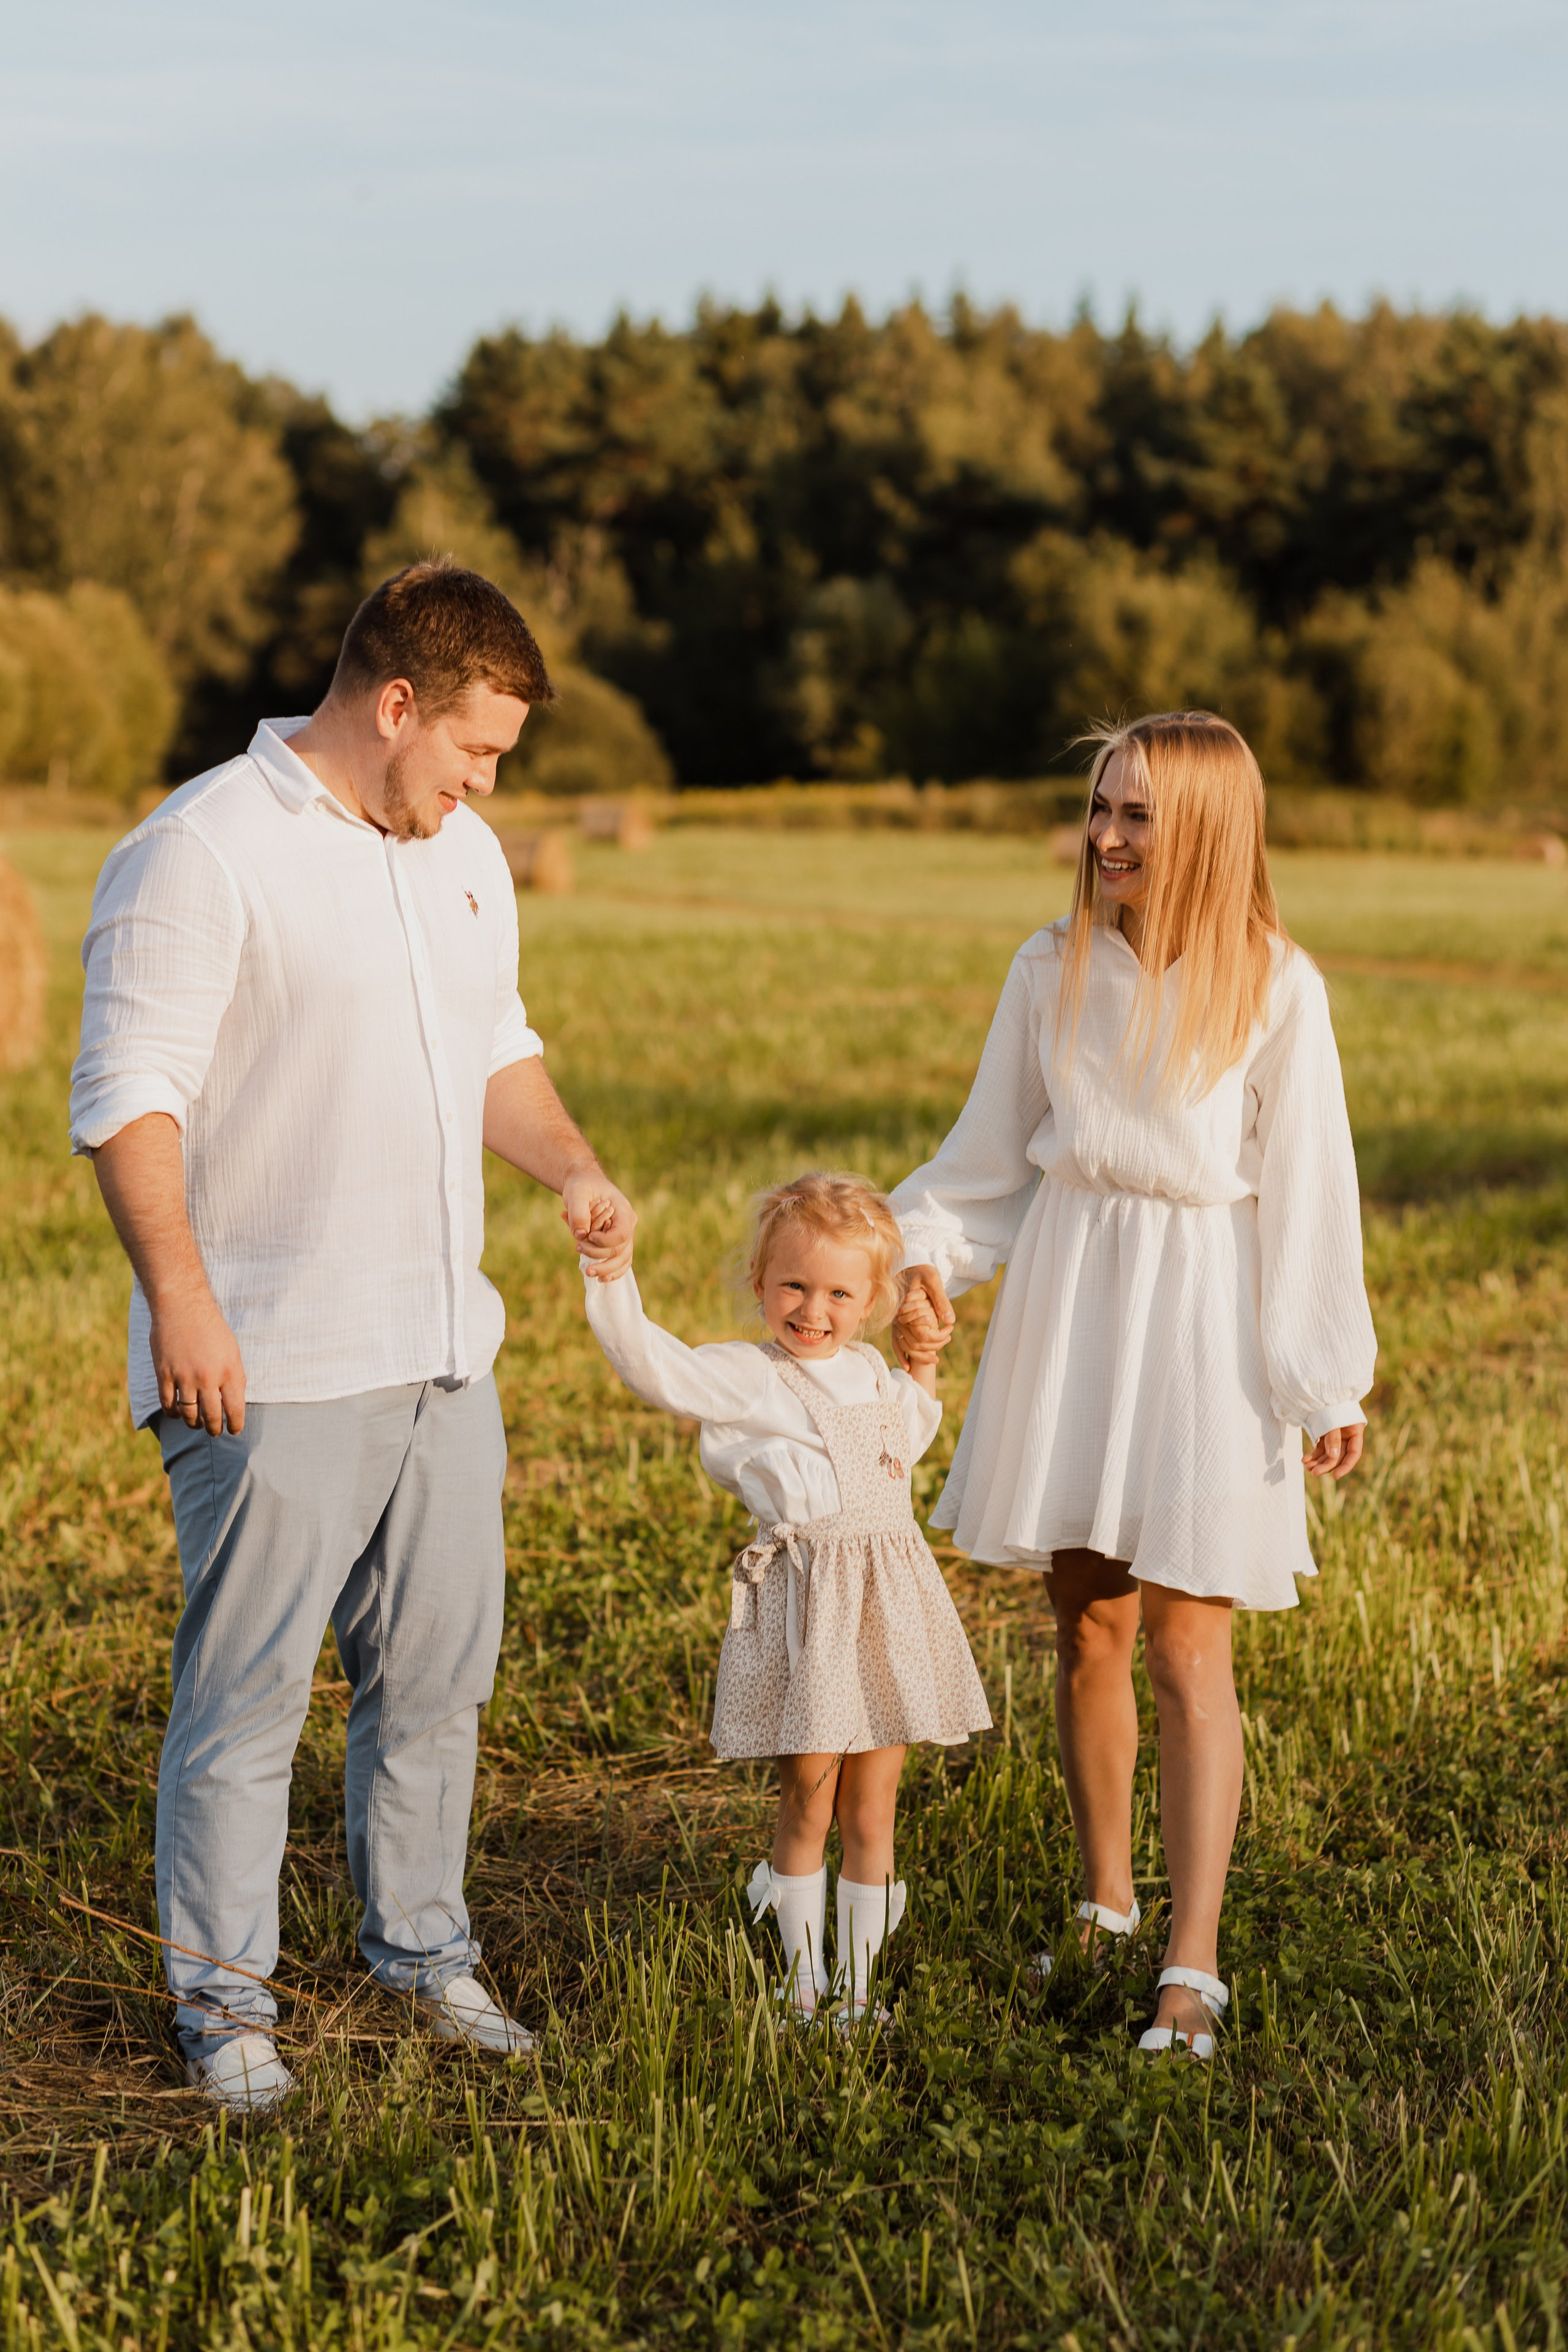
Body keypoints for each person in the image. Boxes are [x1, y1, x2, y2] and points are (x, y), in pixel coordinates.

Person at [69, 560, 635, 2114]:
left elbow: (496, 1049)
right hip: (269, 1357)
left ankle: (422, 1952)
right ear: (394, 704)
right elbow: (129, 1095)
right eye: (474, 749)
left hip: (445, 1348)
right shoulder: (198, 850)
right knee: (249, 1692)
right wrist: (185, 1304)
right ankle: (224, 2003)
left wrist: (572, 1165)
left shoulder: (461, 854)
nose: (485, 784)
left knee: (438, 1680)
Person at [891, 710, 1375, 2060]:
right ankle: (1105, 1903)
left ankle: (1190, 1960)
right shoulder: (1048, 966)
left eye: (1137, 815)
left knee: (1184, 1638)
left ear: (1208, 830)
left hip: (1202, 1323)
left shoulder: (1276, 987)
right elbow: (985, 1158)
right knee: (1087, 1617)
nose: (1104, 835)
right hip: (1074, 1297)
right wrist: (930, 1256)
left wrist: (1323, 1373)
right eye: (1100, 808)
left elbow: (1310, 1197)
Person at [582, 1172, 991, 2024]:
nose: (813, 1309)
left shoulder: (873, 1370)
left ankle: (860, 1986)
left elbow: (903, 1441)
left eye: (840, 1292)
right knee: (811, 1797)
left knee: (873, 1806)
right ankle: (802, 1979)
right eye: (793, 1285)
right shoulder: (754, 1378)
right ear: (761, 1284)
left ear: (873, 1299)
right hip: (819, 1612)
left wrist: (920, 1364)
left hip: (887, 1607)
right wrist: (614, 1277)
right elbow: (655, 1366)